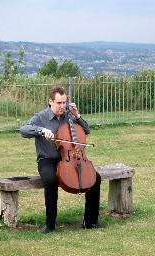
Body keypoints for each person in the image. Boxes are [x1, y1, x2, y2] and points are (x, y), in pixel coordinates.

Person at [20, 86, 101, 233]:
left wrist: (77, 115)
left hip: (72, 157)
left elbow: (86, 130)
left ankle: (91, 221)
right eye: (59, 103)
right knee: (50, 180)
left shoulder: (69, 116)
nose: (62, 106)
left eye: (64, 102)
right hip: (48, 160)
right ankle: (50, 224)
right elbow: (23, 130)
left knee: (95, 178)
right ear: (51, 101)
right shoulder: (40, 117)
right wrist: (41, 130)